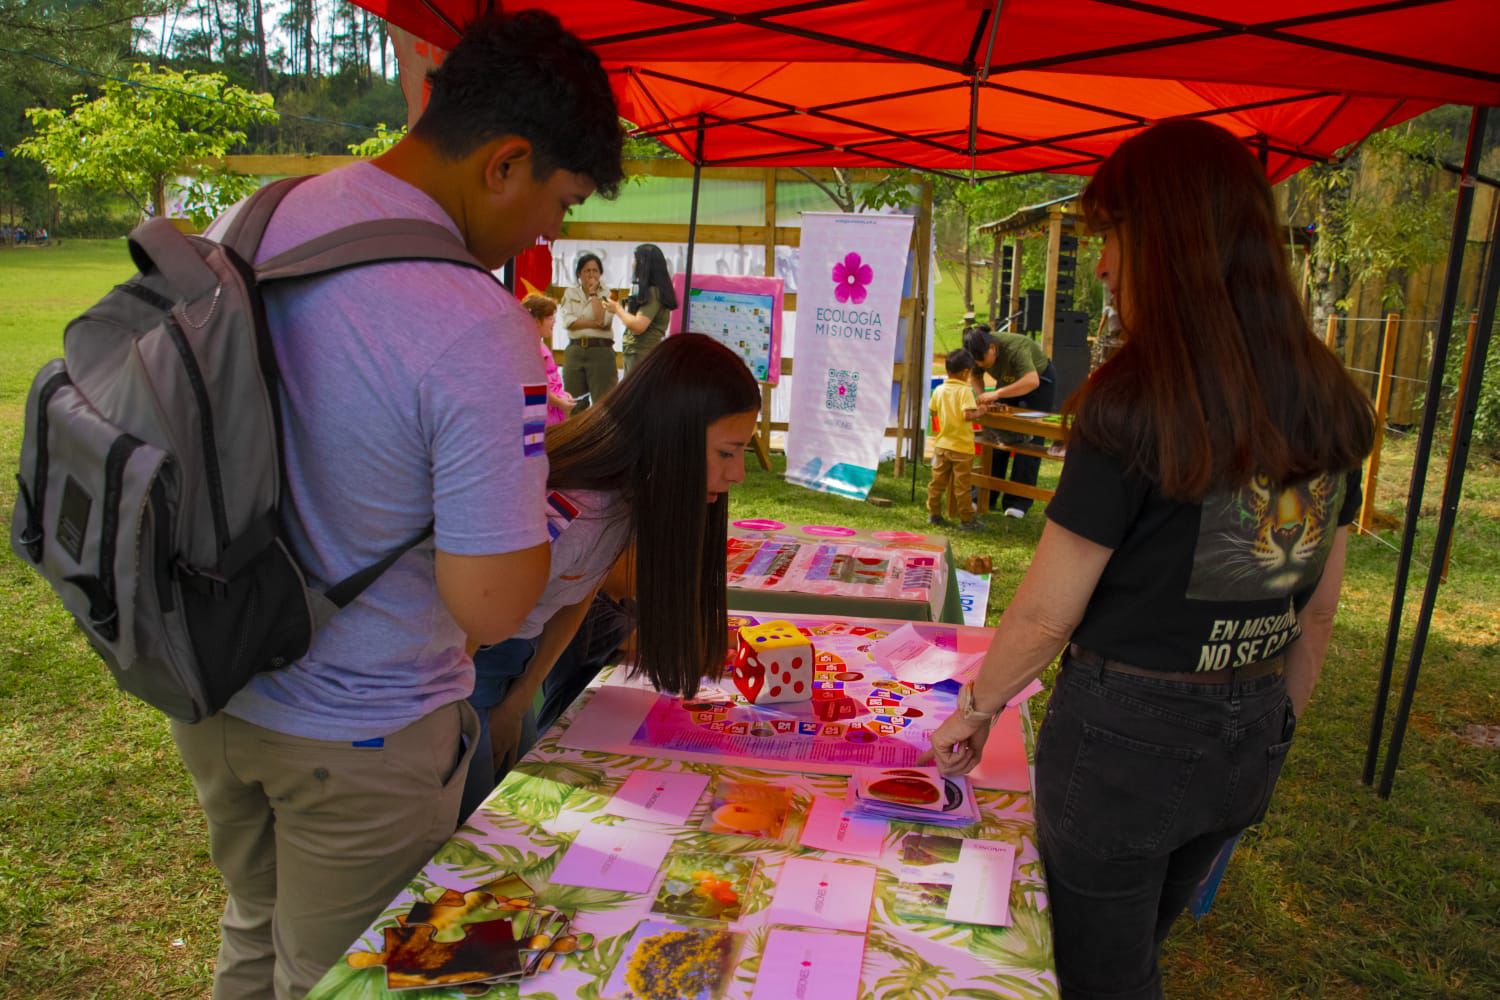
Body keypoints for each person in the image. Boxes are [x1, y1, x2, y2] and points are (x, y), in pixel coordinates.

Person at [173, 12, 625, 999]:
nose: (554, 233)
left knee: (254, 931)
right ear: (505, 162)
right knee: (349, 977)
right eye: (562, 200)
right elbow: (493, 607)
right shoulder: (473, 323)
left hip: (210, 687)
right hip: (361, 734)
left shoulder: (249, 221)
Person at [923, 119, 1374, 999]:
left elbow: (1049, 610)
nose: (1101, 267)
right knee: (1136, 950)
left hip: (1126, 744)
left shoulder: (1134, 398)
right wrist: (1277, 722)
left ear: (1166, 240)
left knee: (1098, 972)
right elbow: (1316, 609)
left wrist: (976, 707)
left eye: (1112, 238)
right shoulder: (1328, 395)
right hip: (1251, 726)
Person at [461, 333, 760, 819]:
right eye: (727, 453)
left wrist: (518, 701)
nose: (738, 474)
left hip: (509, 669)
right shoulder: (570, 510)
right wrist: (487, 708)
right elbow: (462, 627)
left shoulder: (622, 502)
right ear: (672, 435)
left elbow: (574, 598)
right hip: (457, 677)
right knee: (474, 826)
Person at [963, 324, 1056, 518]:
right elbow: (975, 376)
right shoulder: (976, 350)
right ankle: (984, 495)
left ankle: (1018, 502)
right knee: (998, 434)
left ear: (993, 349)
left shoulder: (1015, 347)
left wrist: (996, 393)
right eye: (976, 362)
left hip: (1039, 383)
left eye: (983, 361)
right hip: (1008, 383)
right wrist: (982, 397)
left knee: (1030, 438)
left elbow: (1032, 381)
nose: (980, 365)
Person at [928, 348, 982, 532]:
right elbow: (968, 415)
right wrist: (981, 411)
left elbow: (933, 411)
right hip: (962, 448)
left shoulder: (939, 390)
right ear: (966, 372)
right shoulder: (965, 391)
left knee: (936, 483)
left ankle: (934, 513)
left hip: (942, 446)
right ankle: (966, 520)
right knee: (962, 487)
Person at [558, 252, 616, 410]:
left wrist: (593, 293)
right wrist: (595, 323)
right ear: (579, 274)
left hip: (601, 351)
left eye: (595, 270)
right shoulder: (570, 293)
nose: (591, 274)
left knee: (604, 405)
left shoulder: (608, 294)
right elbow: (569, 322)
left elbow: (603, 321)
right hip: (575, 350)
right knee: (574, 404)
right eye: (587, 270)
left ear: (601, 273)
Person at [606, 242, 676, 373]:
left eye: (636, 260)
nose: (633, 264)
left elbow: (639, 326)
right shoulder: (650, 290)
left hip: (641, 355)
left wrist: (617, 309)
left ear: (644, 264)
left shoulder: (654, 293)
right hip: (636, 353)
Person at [522, 293, 575, 424]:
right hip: (543, 413)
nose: (554, 322)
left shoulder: (536, 344)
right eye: (550, 318)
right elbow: (538, 386)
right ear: (536, 321)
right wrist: (560, 402)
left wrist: (562, 395)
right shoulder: (531, 348)